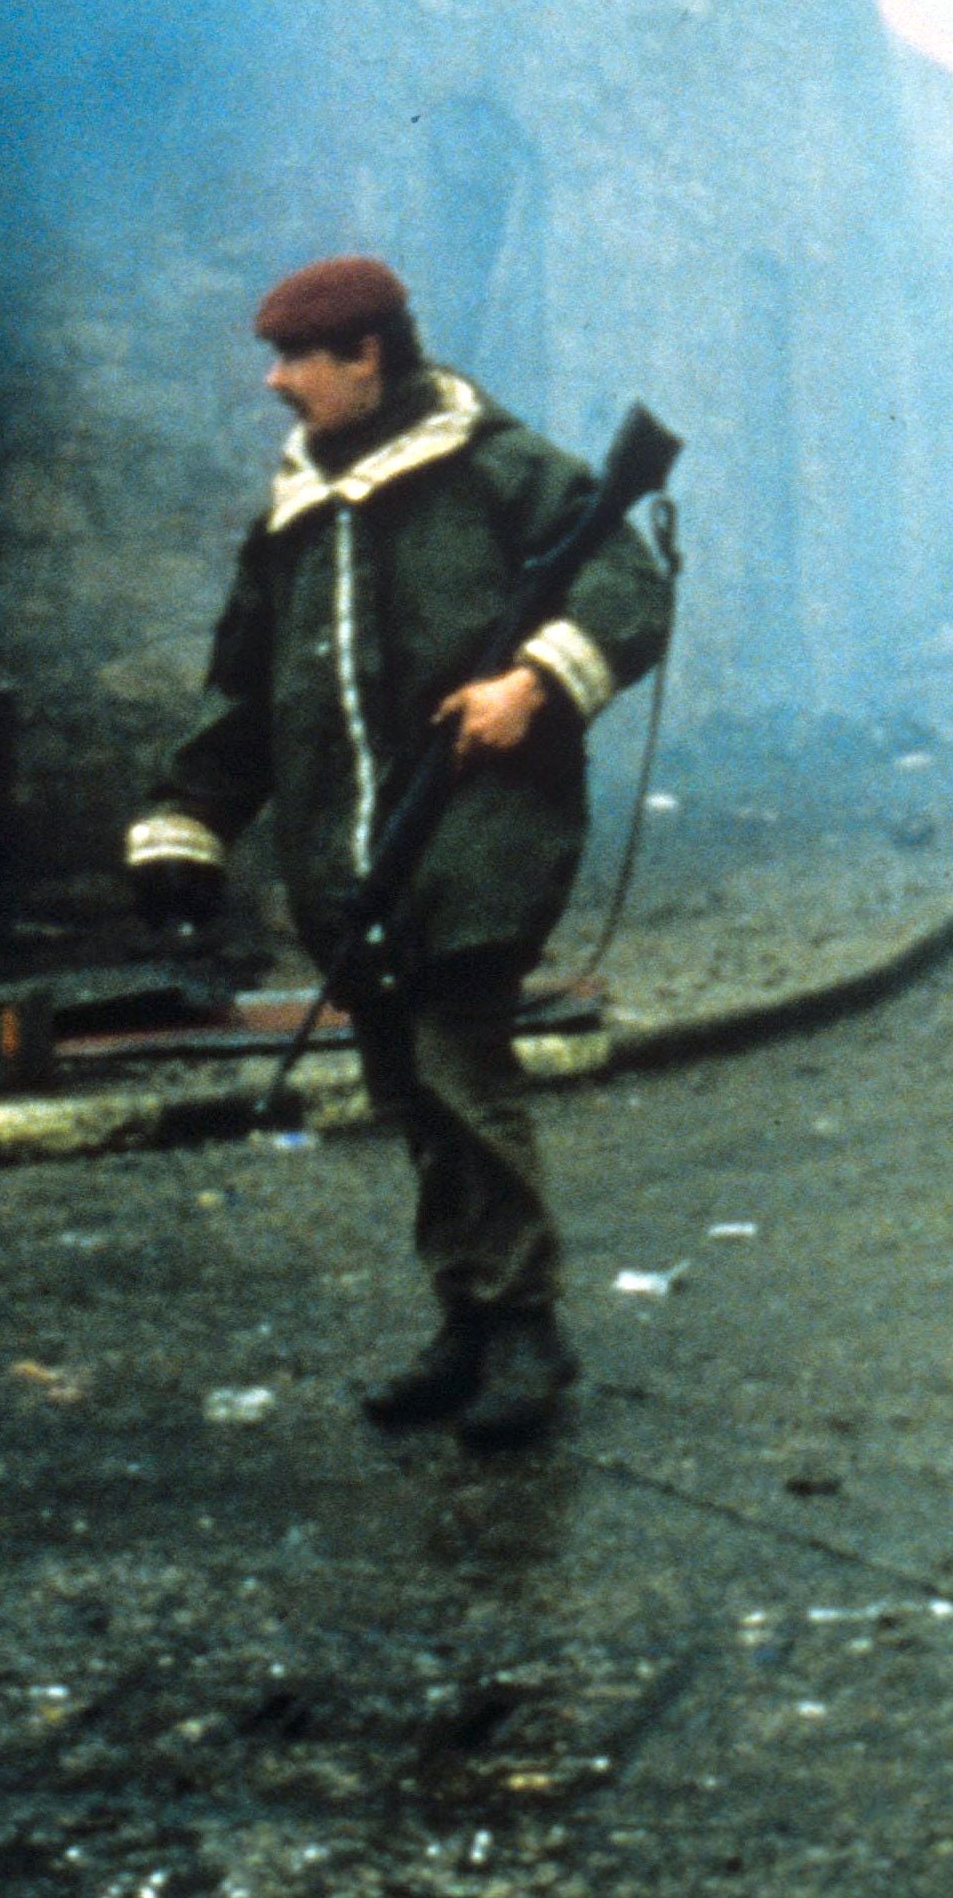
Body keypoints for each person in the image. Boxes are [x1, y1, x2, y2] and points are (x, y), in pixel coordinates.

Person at [126, 255, 673, 1452]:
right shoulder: (291, 517)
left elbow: (629, 587)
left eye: (297, 361)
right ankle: (467, 1319)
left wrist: (534, 684)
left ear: (368, 355)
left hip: (484, 825)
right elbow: (243, 693)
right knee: (410, 1093)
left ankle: (526, 1326)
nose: (276, 383)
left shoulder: (503, 467)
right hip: (344, 850)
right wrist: (187, 822)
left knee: (460, 1071)